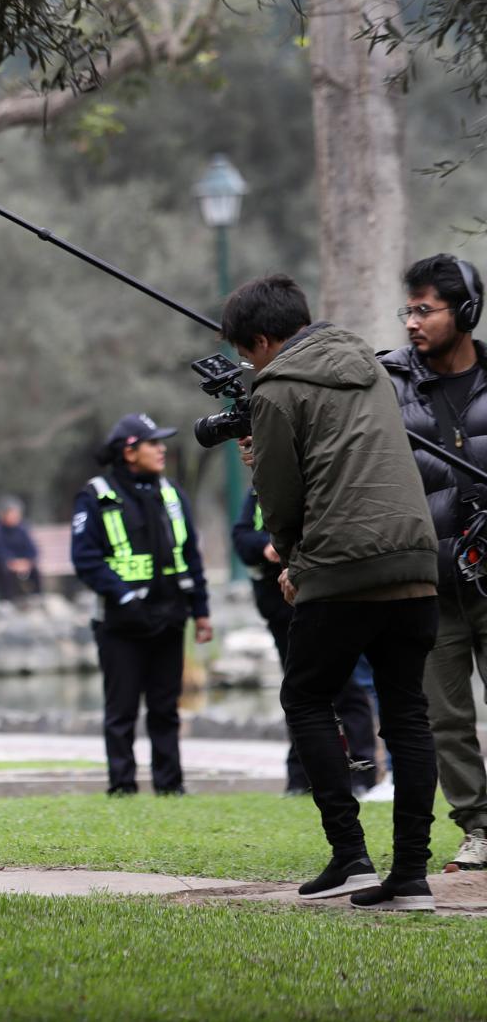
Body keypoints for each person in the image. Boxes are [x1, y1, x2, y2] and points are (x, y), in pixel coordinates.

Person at [225, 273, 441, 911]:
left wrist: (292, 561)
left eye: (247, 354)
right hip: (416, 561)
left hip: (342, 568)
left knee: (305, 696)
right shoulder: (370, 367)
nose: (250, 366)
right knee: (407, 712)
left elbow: (281, 497)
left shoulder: (275, 387)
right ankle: (412, 875)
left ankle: (349, 855)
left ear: (263, 341)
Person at [380, 253, 487, 873]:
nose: (412, 322)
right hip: (429, 579)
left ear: (465, 312)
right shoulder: (388, 383)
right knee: (446, 718)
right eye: (408, 309)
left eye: (426, 309)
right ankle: (478, 827)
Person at [70, 414, 212, 797]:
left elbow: (190, 556)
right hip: (120, 622)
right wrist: (124, 596)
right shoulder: (96, 495)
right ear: (130, 452)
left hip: (170, 617)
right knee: (122, 710)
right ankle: (122, 787)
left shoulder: (172, 493)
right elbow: (85, 559)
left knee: (166, 708)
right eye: (153, 443)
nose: (162, 449)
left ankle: (171, 786)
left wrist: (201, 611)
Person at [232, 487, 377, 796]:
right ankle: (301, 778)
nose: (247, 459)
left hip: (327, 601)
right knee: (298, 692)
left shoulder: (315, 480)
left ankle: (363, 775)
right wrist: (266, 547)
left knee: (345, 688)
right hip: (281, 611)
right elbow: (241, 537)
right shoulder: (259, 490)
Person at [0, 498, 42, 602]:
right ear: (3, 515)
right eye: (11, 513)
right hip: (6, 564)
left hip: (22, 563)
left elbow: (32, 549)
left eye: (16, 514)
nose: (15, 516)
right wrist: (12, 562)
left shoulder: (23, 530)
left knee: (35, 569)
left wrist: (26, 562)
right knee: (4, 570)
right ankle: (8, 600)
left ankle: (37, 597)